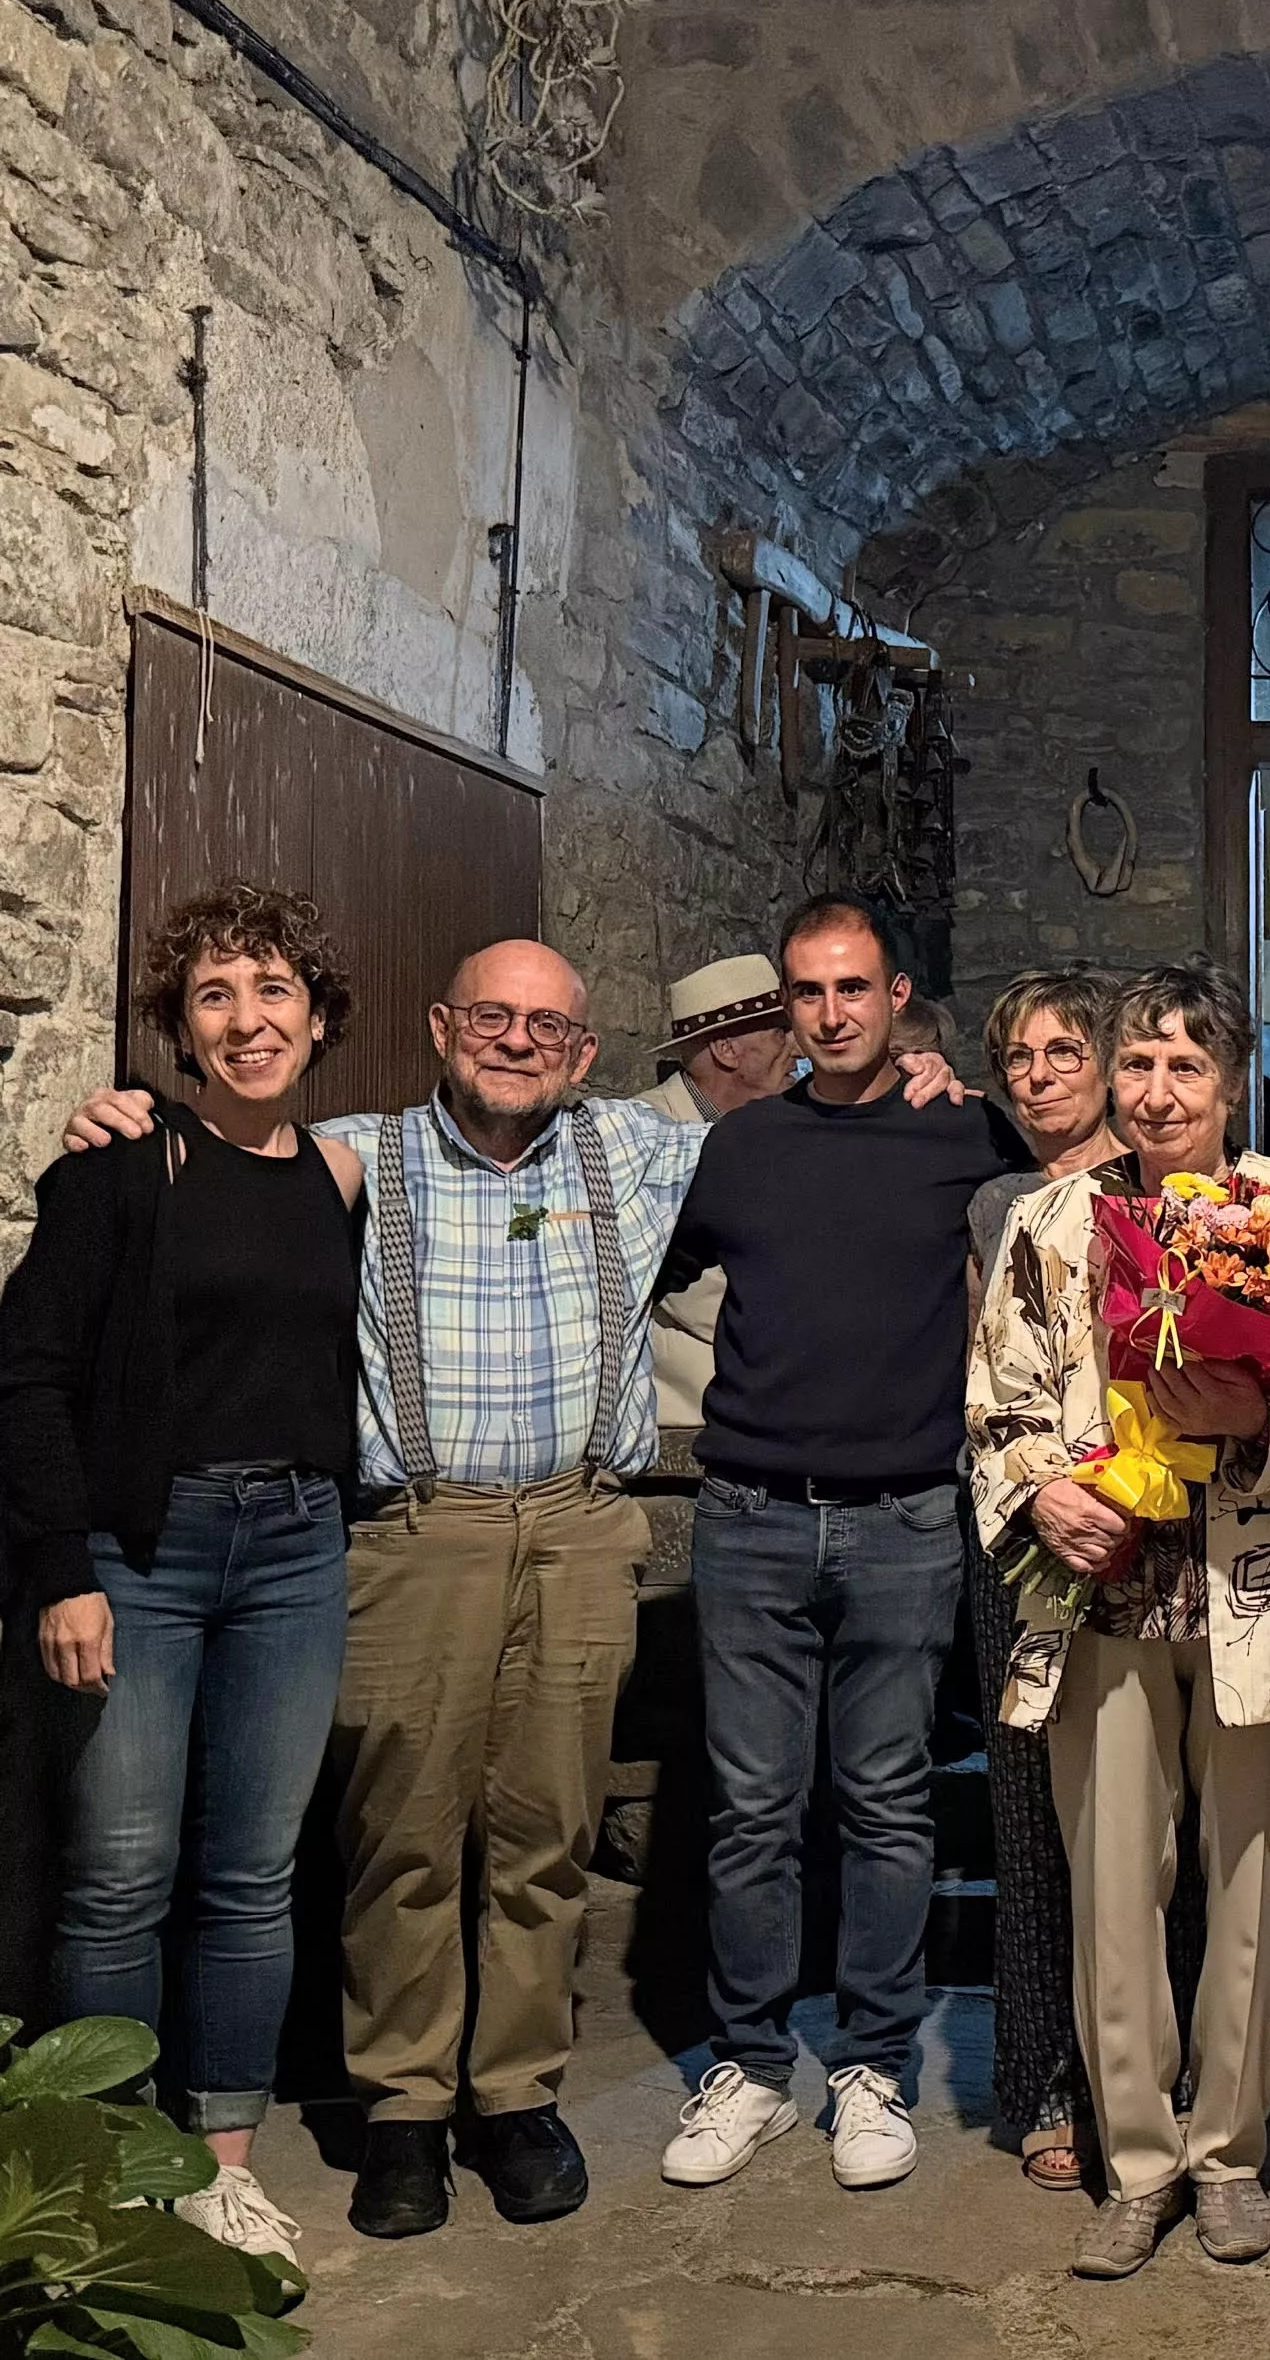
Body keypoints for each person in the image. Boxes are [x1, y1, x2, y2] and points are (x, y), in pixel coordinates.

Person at [52, 939, 969, 2240]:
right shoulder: (345, 1155)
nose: (519, 1038)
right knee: (404, 1839)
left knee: (544, 1835)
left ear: (587, 1052)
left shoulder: (646, 1156)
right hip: (414, 1533)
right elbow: (213, 1166)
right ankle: (407, 2106)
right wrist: (126, 1122)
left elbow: (819, 1140)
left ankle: (516, 2092)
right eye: (492, 1013)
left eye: (549, 1023)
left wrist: (915, 1073)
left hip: (578, 1529)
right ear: (440, 1024)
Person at [971, 964, 1270, 2281]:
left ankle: (1228, 2154)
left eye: (1185, 1068)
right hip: (1105, 1591)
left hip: (1267, 1589)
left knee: (1257, 1881)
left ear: (1231, 1082)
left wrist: (1261, 1425)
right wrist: (1041, 1490)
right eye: (1138, 1065)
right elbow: (999, 1397)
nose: (1157, 1093)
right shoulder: (1048, 1222)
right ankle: (1136, 2159)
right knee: (1113, 1884)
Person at [0, 885, 366, 2266]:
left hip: (296, 1547)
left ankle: (217, 2158)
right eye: (215, 994)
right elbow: (28, 1371)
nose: (247, 1016)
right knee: (118, 1872)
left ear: (318, 1018)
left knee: (251, 1874)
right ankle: (111, 2161)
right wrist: (61, 1570)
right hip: (139, 1554)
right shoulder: (122, 1161)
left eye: (274, 988)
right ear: (179, 1027)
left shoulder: (341, 1176)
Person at [654, 899, 1022, 2195]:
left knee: (884, 1804)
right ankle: (749, 2061)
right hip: (750, 1512)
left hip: (906, 1516)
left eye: (851, 987)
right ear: (786, 1010)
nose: (828, 1011)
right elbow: (651, 1268)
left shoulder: (963, 1132)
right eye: (806, 991)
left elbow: (1073, 1174)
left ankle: (870, 2061)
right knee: (751, 1808)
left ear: (895, 995)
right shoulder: (739, 1146)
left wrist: (977, 1086)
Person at [636, 955, 797, 1475]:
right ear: (727, 1049)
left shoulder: (780, 1123)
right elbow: (684, 1287)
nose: (797, 1047)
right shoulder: (644, 1136)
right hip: (697, 1406)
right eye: (779, 1031)